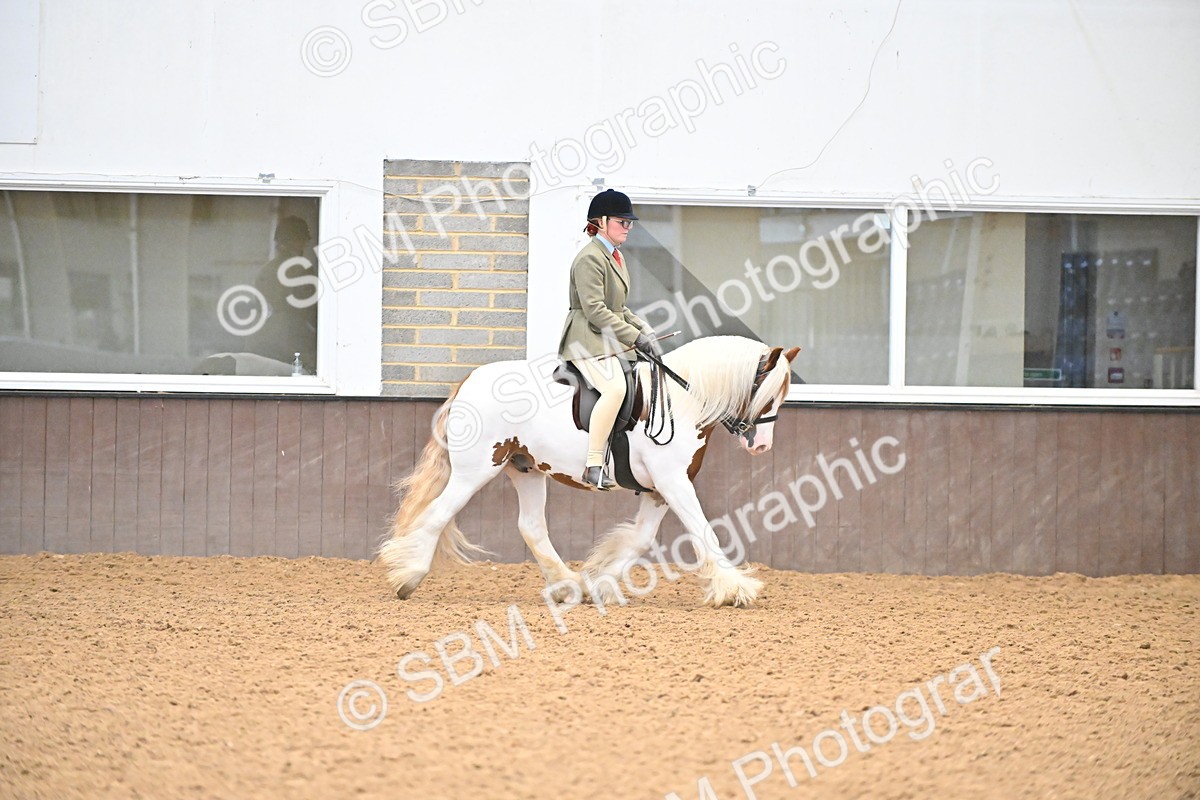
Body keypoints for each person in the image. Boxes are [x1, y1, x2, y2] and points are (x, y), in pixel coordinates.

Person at [558, 189, 660, 490]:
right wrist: (634, 336)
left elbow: (619, 308)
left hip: (607, 337)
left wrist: (644, 329)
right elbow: (595, 311)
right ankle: (593, 464)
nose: (627, 227)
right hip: (586, 339)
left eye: (630, 223)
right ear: (600, 222)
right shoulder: (590, 258)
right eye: (621, 222)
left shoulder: (615, 256)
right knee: (615, 389)